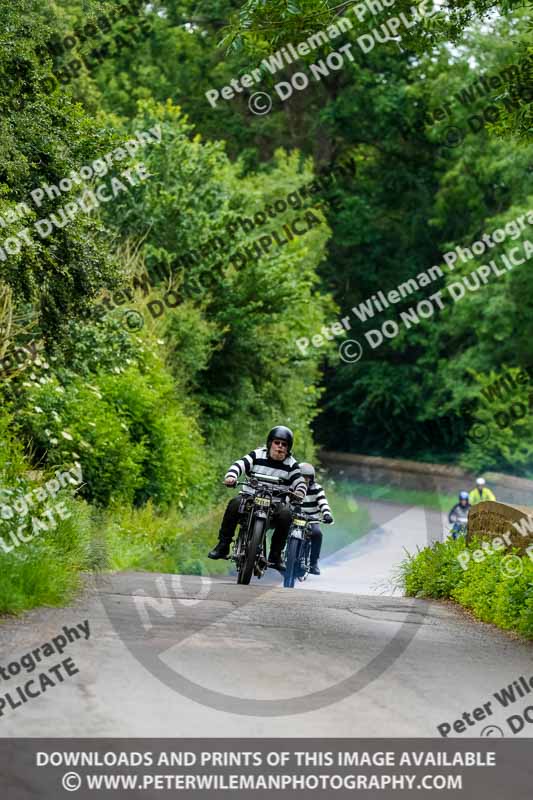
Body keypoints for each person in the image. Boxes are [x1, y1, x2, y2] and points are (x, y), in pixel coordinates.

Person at [208, 426, 306, 570]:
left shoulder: (292, 464)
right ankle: (223, 545)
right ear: (269, 443)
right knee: (234, 504)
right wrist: (231, 476)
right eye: (277, 442)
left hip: (275, 504)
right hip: (250, 497)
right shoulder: (257, 455)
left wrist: (300, 492)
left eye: (284, 444)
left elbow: (300, 481)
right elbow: (239, 464)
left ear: (288, 448)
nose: (280, 447)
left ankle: (275, 555)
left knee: (286, 514)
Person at [299, 462, 334, 575]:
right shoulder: (292, 487)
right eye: (302, 477)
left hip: (311, 519)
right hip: (295, 517)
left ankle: (313, 563)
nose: (305, 480)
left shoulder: (317, 488)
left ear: (311, 478)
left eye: (307, 477)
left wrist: (327, 514)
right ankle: (278, 555)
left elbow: (323, 502)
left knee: (317, 534)